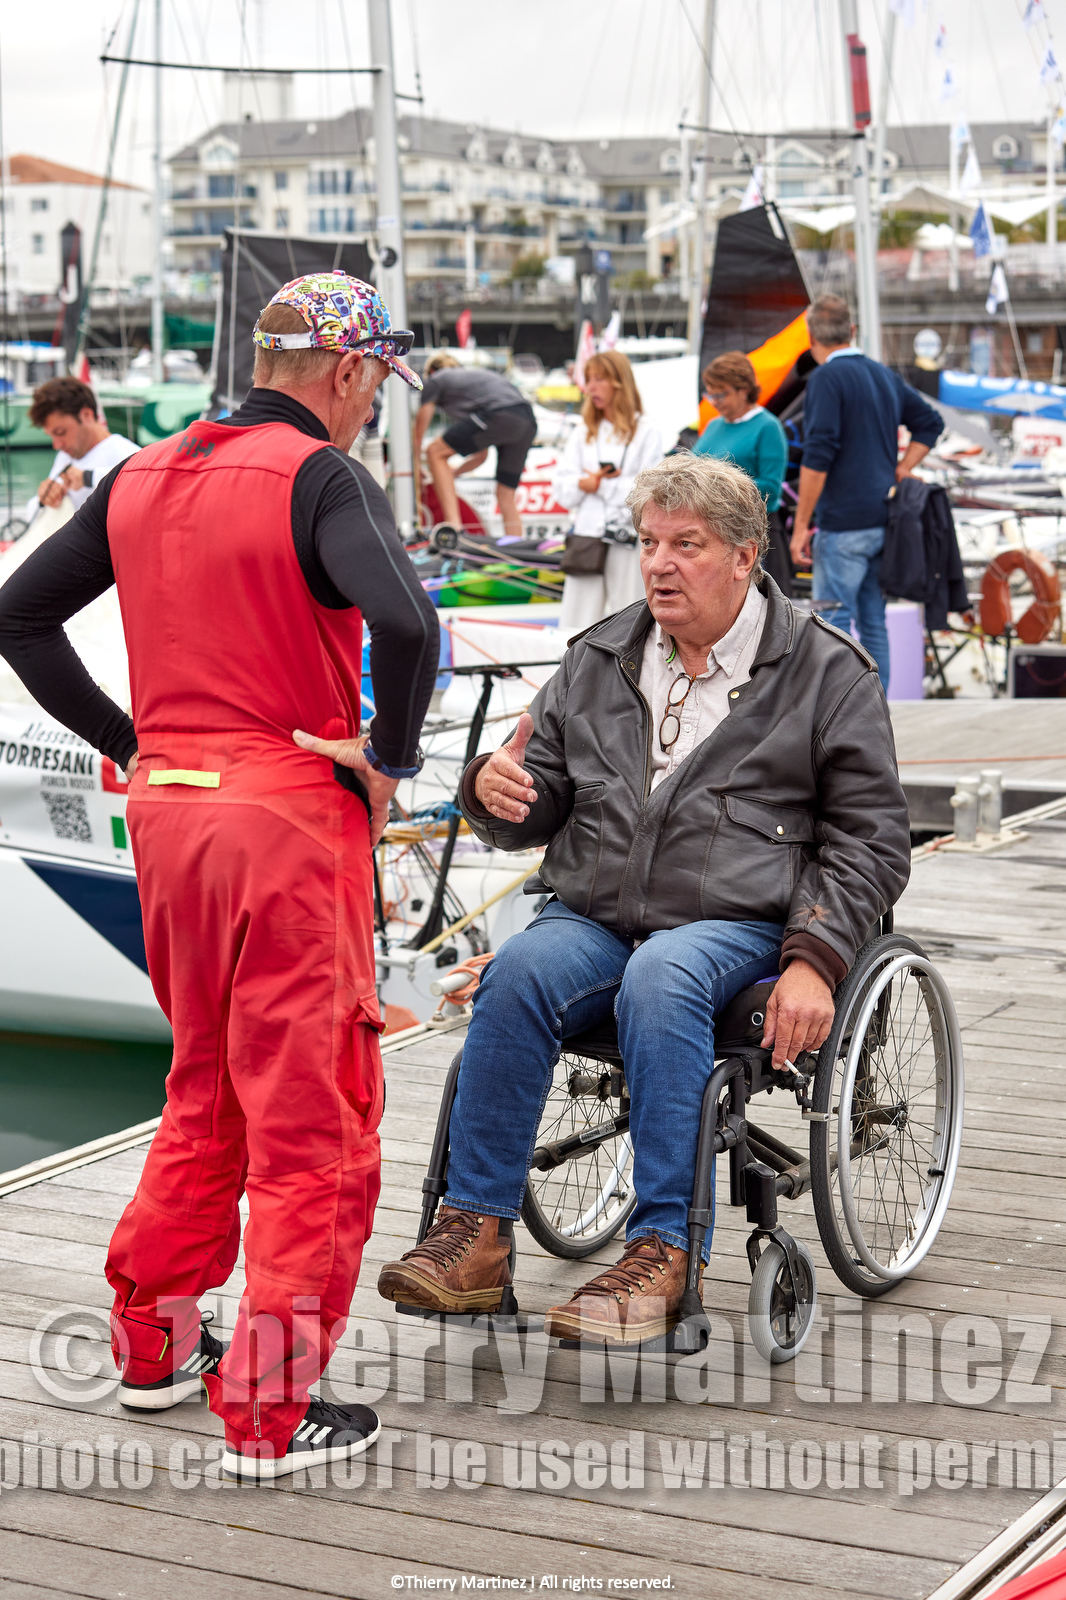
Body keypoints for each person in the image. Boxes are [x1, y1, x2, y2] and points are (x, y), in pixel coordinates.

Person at [0, 272, 440, 1481]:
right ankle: (271, 1409)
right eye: (371, 390)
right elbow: (405, 622)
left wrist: (127, 739)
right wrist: (389, 758)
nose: (367, 416)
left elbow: (19, 616)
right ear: (347, 374)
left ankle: (154, 1347)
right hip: (285, 822)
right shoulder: (320, 476)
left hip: (169, 818)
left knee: (207, 1084)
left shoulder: (139, 474)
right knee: (315, 1118)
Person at [377, 452, 910, 1345]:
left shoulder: (828, 674)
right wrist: (492, 790)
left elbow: (870, 840)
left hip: (739, 923)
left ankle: (663, 1247)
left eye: (687, 545)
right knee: (519, 974)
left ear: (746, 557)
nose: (658, 563)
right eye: (650, 542)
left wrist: (816, 961)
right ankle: (475, 1235)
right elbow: (537, 796)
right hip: (595, 913)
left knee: (664, 974)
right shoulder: (600, 655)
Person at [789, 294, 943, 685]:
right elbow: (930, 422)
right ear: (852, 331)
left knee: (833, 625)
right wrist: (904, 467)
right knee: (874, 623)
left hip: (843, 523)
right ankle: (879, 715)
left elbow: (818, 455)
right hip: (884, 520)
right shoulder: (883, 374)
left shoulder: (825, 378)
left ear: (811, 336)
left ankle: (839, 719)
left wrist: (801, 524)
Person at [552, 350, 663, 634]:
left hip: (627, 538)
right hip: (588, 538)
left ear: (618, 382)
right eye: (588, 379)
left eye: (598, 379)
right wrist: (583, 484)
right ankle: (573, 675)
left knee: (630, 617)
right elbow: (563, 488)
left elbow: (649, 490)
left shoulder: (646, 431)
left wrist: (599, 485)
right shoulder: (582, 432)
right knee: (577, 620)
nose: (590, 387)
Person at [694, 351, 791, 597]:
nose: (714, 401)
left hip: (754, 537)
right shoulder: (715, 425)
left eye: (721, 394)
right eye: (710, 393)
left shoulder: (768, 427)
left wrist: (716, 484)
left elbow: (771, 488)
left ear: (744, 390)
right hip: (713, 532)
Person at [414, 352, 537, 540]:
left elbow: (418, 436)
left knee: (434, 451)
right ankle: (515, 544)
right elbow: (481, 456)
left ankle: (454, 529)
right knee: (505, 494)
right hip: (527, 419)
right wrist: (448, 474)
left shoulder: (435, 380)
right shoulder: (472, 386)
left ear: (430, 371)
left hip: (500, 413)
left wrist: (415, 465)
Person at [26, 376, 139, 516]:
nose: (56, 445)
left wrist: (87, 478)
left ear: (86, 415)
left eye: (61, 432)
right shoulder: (65, 457)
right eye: (51, 436)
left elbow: (142, 485)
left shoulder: (128, 455)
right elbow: (32, 513)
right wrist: (43, 499)